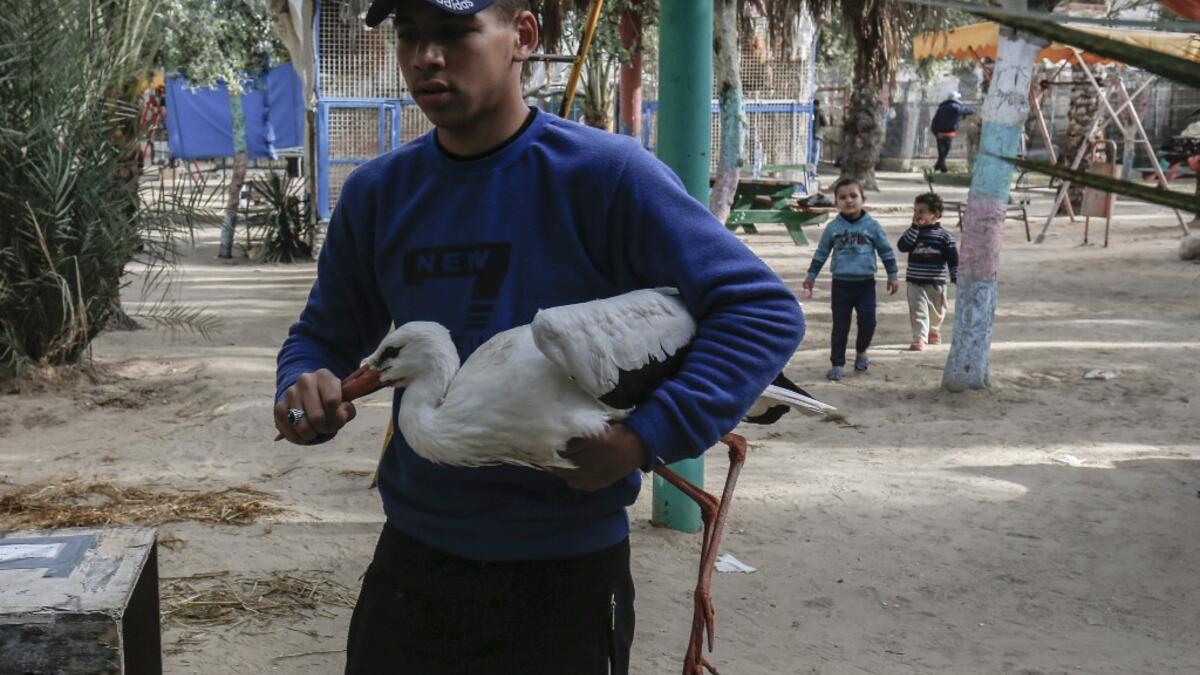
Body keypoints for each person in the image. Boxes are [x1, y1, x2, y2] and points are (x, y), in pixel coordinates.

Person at [272, 1, 806, 673]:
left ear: (523, 36)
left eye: (454, 33)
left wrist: (647, 436)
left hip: (566, 577)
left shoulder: (607, 175)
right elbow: (320, 337)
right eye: (409, 35)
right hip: (413, 567)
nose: (424, 56)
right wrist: (301, 391)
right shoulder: (378, 192)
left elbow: (761, 310)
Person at [801, 177, 898, 381]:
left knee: (868, 323)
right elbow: (821, 253)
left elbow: (886, 251)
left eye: (854, 196)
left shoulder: (872, 226)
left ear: (863, 199)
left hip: (865, 285)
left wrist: (893, 275)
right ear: (836, 202)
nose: (849, 201)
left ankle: (861, 353)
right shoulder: (833, 228)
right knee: (840, 326)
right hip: (841, 286)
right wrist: (811, 275)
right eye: (842, 197)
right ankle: (837, 364)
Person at [897, 192, 958, 351]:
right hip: (915, 281)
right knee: (918, 309)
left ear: (935, 214)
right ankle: (920, 338)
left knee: (937, 311)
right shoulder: (914, 233)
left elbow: (953, 257)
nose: (917, 215)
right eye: (915, 211)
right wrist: (914, 228)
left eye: (921, 211)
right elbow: (902, 246)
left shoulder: (945, 237)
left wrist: (955, 274)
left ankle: (934, 330)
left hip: (936, 282)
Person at [930, 91, 975, 173]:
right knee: (945, 151)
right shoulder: (956, 107)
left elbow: (935, 120)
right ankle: (941, 168)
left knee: (941, 152)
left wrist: (935, 132)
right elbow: (969, 111)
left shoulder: (941, 107)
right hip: (949, 133)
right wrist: (971, 109)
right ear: (955, 99)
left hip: (939, 133)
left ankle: (939, 167)